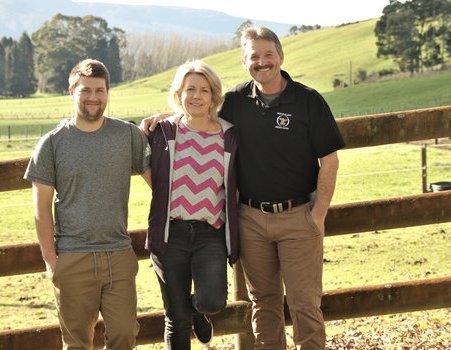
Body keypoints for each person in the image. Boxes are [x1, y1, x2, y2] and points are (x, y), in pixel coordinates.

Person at [142, 26, 344, 350]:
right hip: (250, 219)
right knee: (263, 302)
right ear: (244, 61)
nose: (262, 62)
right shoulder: (236, 100)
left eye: (268, 55)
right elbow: (198, 112)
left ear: (280, 56)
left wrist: (317, 214)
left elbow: (330, 161)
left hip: (298, 217)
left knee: (304, 303)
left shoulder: (308, 101)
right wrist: (164, 117)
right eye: (254, 57)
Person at [24, 58, 151, 350]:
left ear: (107, 92)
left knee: (124, 336)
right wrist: (51, 260)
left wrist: (172, 117)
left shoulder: (127, 135)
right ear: (71, 92)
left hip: (118, 254)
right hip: (73, 257)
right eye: (85, 90)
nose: (93, 97)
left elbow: (159, 181)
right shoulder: (52, 143)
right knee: (78, 344)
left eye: (100, 90)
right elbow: (41, 207)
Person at [145, 60, 239, 349]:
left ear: (214, 96)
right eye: (189, 90)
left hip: (210, 234)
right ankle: (187, 312)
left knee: (212, 301)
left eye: (204, 90)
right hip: (170, 233)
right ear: (179, 94)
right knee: (176, 319)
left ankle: (198, 311)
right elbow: (143, 165)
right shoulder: (163, 131)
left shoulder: (229, 135)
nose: (196, 96)